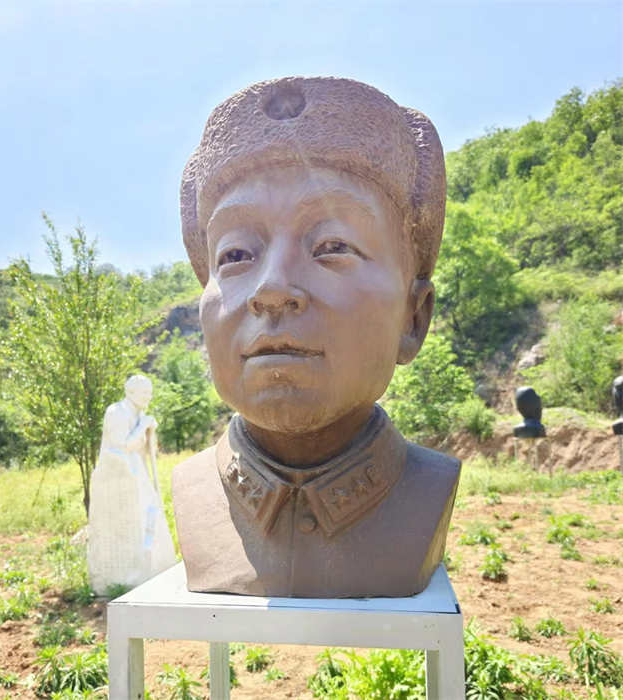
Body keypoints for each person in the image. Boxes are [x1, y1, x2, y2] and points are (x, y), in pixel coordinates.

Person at [173, 77, 461, 597]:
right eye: (235, 255)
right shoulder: (189, 491)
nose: (272, 289)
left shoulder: (430, 489)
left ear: (413, 319)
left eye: (332, 246)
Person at [88, 375, 175, 595]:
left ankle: (150, 568)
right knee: (133, 522)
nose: (148, 397)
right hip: (120, 477)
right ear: (131, 392)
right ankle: (125, 577)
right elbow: (123, 445)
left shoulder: (139, 414)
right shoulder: (116, 412)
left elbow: (145, 448)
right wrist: (143, 426)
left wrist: (150, 431)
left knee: (149, 515)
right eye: (145, 393)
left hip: (137, 472)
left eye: (150, 393)